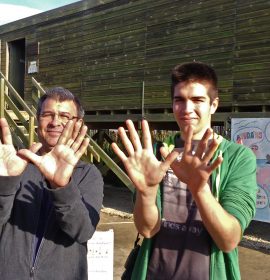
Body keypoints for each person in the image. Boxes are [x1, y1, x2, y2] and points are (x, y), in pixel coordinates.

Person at [112, 62, 257, 280]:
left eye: (197, 100)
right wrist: (147, 192)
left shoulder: (238, 157)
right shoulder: (156, 153)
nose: (187, 109)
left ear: (214, 104)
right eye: (179, 100)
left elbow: (229, 240)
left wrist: (199, 190)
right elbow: (148, 230)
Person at [0, 87, 104, 279]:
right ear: (38, 120)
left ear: (78, 124)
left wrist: (62, 187)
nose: (55, 122)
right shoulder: (16, 166)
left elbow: (82, 231)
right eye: (47, 114)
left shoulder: (88, 174)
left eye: (65, 116)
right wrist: (5, 183)